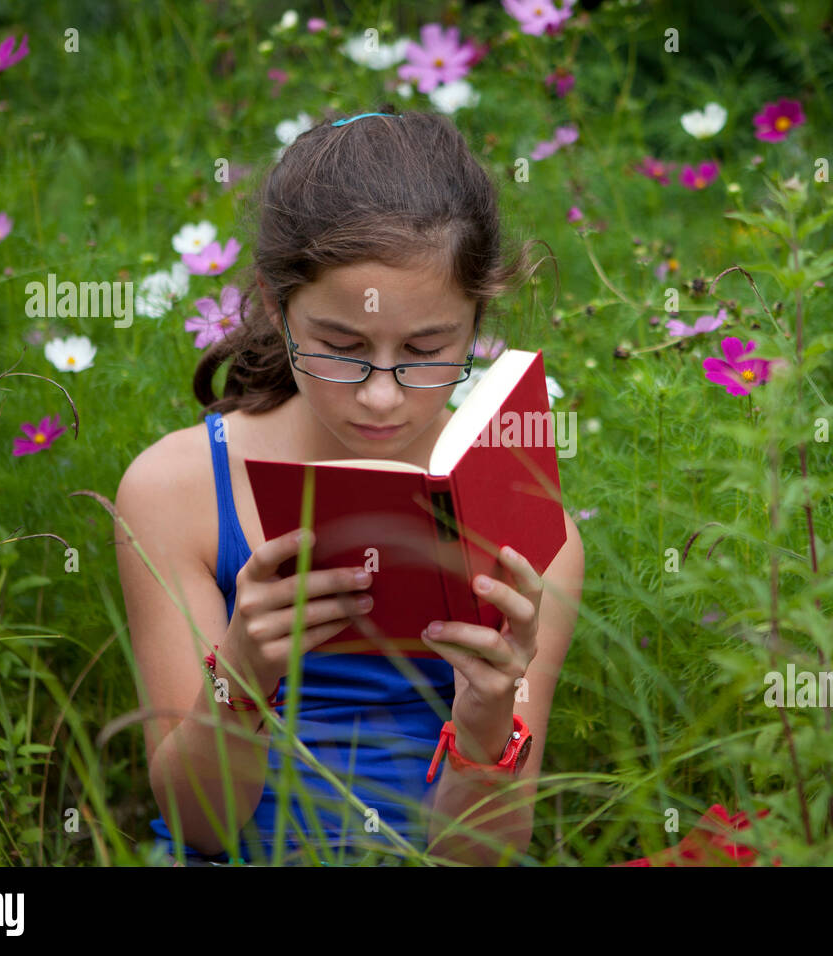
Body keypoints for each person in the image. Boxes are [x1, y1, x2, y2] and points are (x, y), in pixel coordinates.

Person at [113, 108, 584, 866]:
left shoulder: (531, 529)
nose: (381, 396)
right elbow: (197, 825)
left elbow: (480, 856)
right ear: (276, 305)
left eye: (427, 350)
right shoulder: (177, 490)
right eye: (342, 348)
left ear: (476, 324)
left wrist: (487, 723)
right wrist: (240, 676)